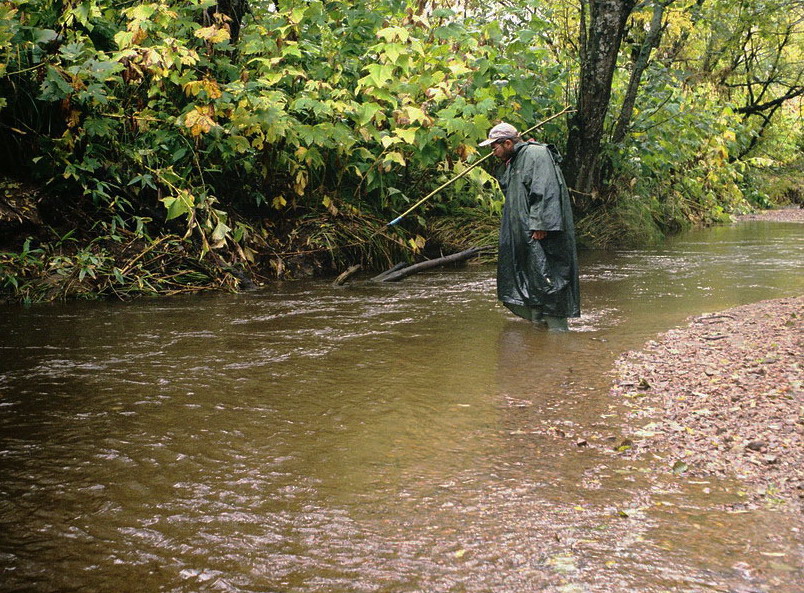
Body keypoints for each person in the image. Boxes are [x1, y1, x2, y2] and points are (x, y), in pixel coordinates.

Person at [479, 122, 580, 331]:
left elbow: (546, 188)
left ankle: (557, 334)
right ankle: (538, 328)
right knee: (529, 275)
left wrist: (542, 223)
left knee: (548, 276)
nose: (492, 152)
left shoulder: (537, 154)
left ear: (507, 142)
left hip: (541, 231)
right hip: (523, 232)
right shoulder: (514, 161)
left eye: (494, 147)